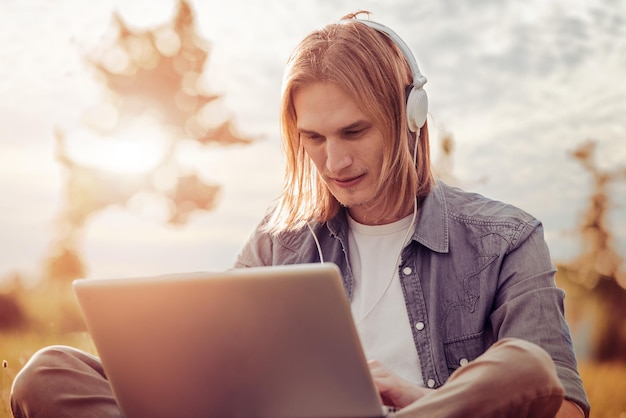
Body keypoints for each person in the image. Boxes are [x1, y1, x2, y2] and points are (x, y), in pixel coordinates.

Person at [11, 12, 589, 418]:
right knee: (48, 372)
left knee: (526, 367)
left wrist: (420, 401)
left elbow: (557, 404)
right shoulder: (276, 245)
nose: (333, 161)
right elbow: (215, 373)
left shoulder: (505, 239)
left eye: (353, 131)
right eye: (313, 137)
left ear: (412, 114)